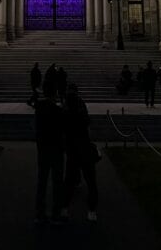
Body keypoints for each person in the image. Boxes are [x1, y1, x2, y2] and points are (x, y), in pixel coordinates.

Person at [61, 83, 98, 222]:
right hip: (84, 149)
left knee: (69, 180)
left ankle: (64, 208)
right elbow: (87, 125)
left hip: (72, 150)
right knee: (91, 181)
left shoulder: (65, 113)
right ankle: (92, 210)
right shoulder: (82, 113)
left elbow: (62, 131)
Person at [33, 83, 65, 224]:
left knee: (42, 181)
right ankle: (56, 214)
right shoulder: (58, 111)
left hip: (43, 149)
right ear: (55, 94)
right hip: (56, 150)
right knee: (57, 182)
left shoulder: (39, 108)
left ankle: (40, 213)